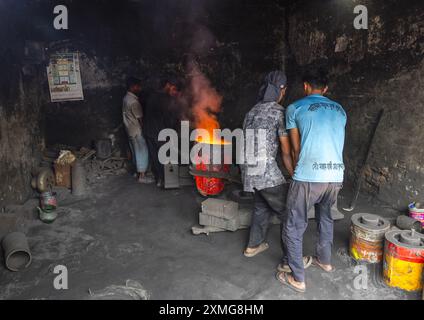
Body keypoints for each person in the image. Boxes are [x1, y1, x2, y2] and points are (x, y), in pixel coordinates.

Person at [277, 68, 347, 293]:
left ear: (305, 86)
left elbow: (296, 148)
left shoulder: (295, 108)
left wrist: (295, 172)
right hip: (335, 175)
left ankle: (298, 278)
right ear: (325, 89)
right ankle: (324, 261)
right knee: (325, 218)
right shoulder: (341, 111)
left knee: (293, 225)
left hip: (309, 176)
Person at [242, 71, 295, 259]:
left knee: (261, 207)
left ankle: (253, 246)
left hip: (249, 172)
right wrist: (294, 174)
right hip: (266, 173)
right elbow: (286, 151)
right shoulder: (279, 112)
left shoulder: (251, 111)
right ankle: (291, 260)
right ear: (281, 90)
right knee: (289, 212)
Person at [144, 77, 183, 188]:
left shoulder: (152, 95)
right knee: (164, 158)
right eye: (174, 90)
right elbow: (169, 119)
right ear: (170, 85)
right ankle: (166, 180)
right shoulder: (166, 100)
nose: (174, 93)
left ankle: (159, 179)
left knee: (155, 157)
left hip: (149, 132)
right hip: (160, 133)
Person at [122, 76, 154, 184]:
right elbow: (140, 119)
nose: (140, 88)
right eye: (138, 86)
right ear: (133, 87)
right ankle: (142, 176)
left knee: (135, 151)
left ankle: (137, 172)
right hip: (137, 131)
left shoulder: (126, 98)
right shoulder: (134, 102)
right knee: (142, 151)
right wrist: (145, 131)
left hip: (129, 130)